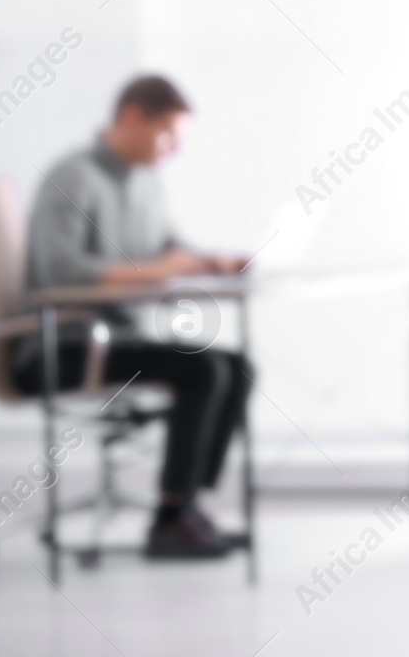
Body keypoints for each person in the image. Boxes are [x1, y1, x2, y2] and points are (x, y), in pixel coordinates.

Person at [14, 75, 253, 558]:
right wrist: (156, 270)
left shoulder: (146, 181)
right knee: (203, 369)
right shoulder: (73, 175)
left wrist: (212, 261)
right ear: (130, 118)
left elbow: (167, 247)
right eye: (167, 136)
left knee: (237, 367)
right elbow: (59, 272)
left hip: (118, 341)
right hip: (66, 345)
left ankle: (184, 506)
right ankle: (171, 519)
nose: (173, 150)